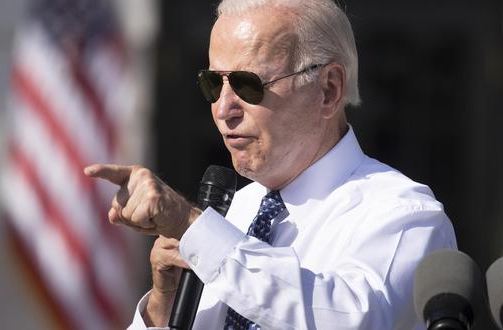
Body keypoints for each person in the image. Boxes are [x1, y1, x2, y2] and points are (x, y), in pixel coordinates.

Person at [84, 0, 457, 329]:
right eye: (213, 84)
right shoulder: (227, 219)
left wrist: (189, 224)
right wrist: (162, 309)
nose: (223, 109)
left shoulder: (404, 214)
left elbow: (349, 320)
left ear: (328, 89)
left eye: (248, 85)